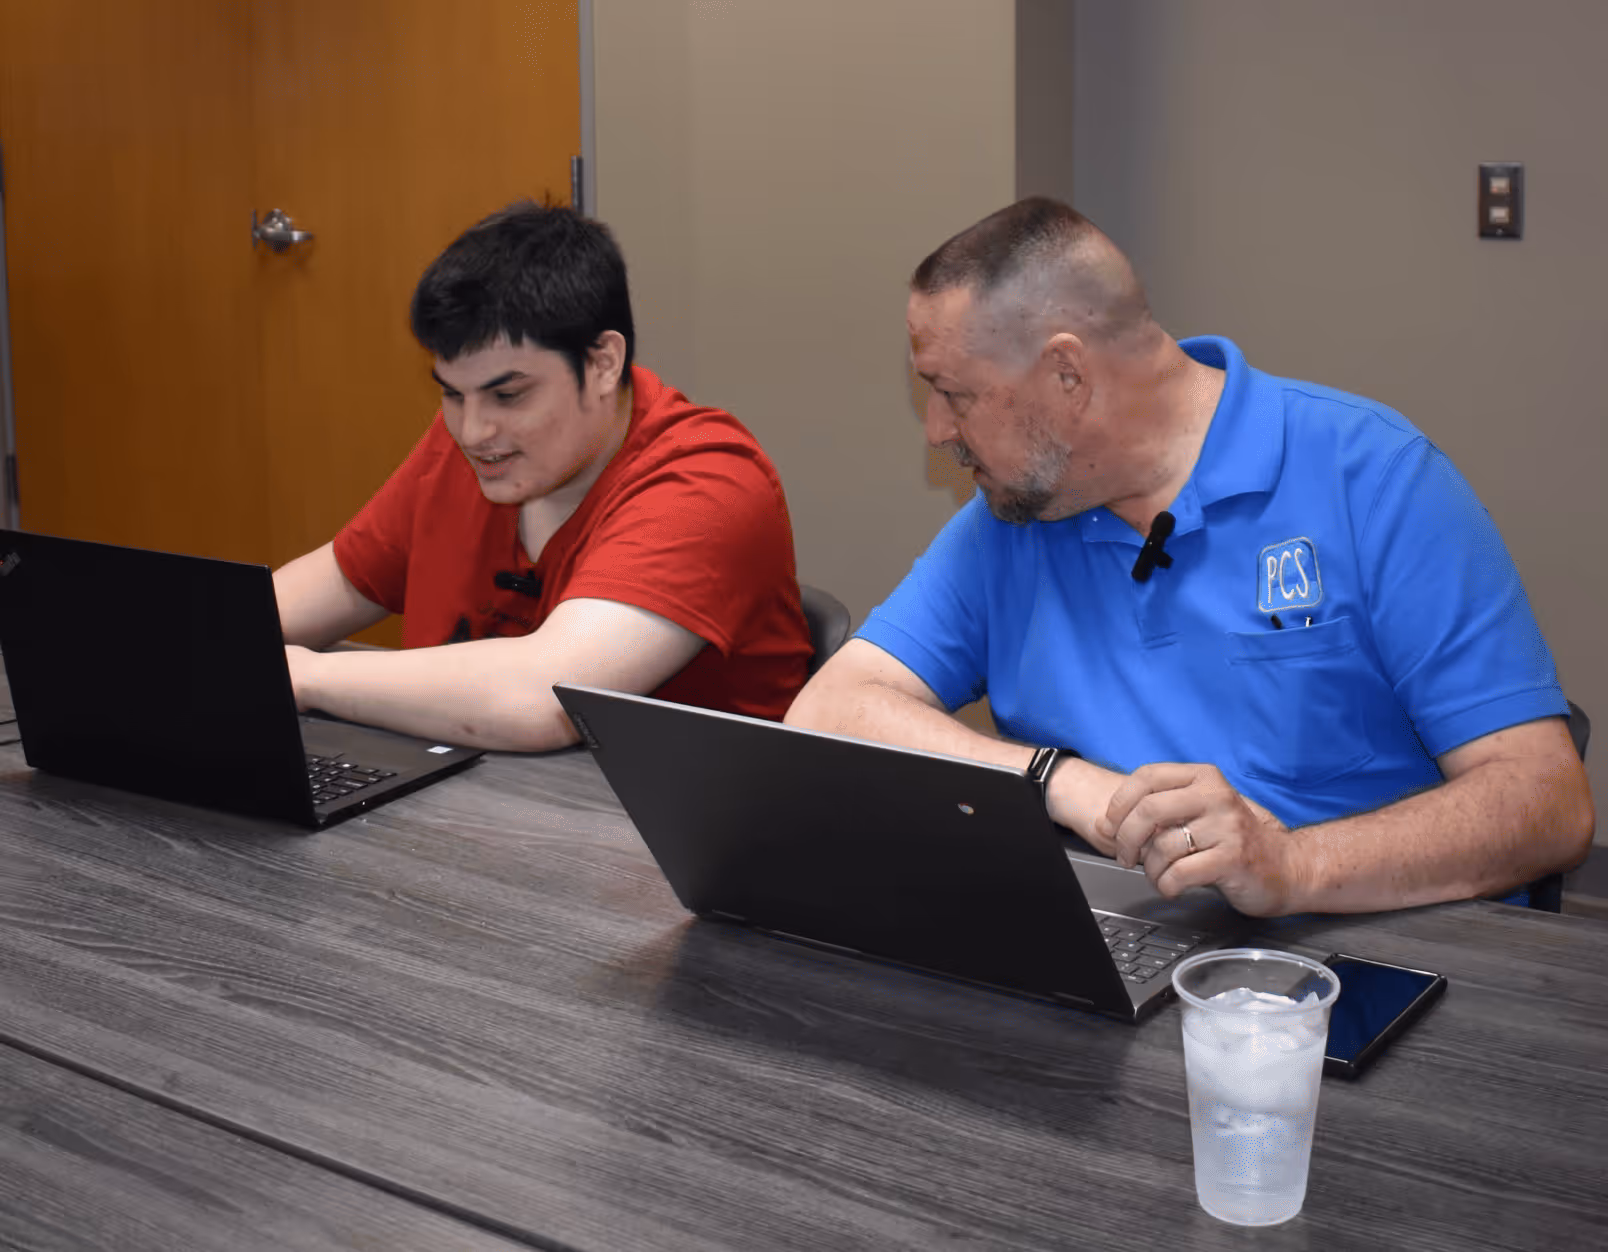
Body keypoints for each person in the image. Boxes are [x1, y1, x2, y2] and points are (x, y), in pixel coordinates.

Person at [786, 196, 1593, 917]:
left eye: (954, 393)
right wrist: (1059, 781)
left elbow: (1546, 803)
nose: (936, 429)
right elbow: (830, 710)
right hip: (1116, 932)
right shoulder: (1016, 517)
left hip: (1360, 956)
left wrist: (1295, 865)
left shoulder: (1372, 477)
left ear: (1067, 373)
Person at [275, 202, 812, 751]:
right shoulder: (475, 443)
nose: (474, 430)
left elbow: (542, 698)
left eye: (509, 395)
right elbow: (328, 587)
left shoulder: (707, 484)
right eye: (452, 393)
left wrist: (307, 677)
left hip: (650, 829)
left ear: (603, 363)